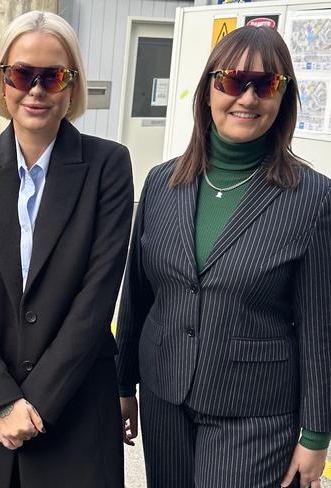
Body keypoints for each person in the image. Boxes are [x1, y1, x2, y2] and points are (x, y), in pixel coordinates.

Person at [0, 10, 133, 488]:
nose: (36, 90)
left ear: (72, 88)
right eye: (21, 74)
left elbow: (96, 298)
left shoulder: (108, 166)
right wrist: (0, 399)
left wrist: (35, 402)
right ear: (3, 84)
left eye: (52, 76)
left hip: (71, 402)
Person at [116, 25, 330, 488]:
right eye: (232, 81)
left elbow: (320, 326)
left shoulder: (312, 197)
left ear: (284, 98)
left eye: (266, 84)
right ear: (208, 90)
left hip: (254, 413)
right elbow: (137, 296)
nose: (247, 98)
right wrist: (121, 385)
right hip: (164, 397)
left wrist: (316, 434)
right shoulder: (161, 183)